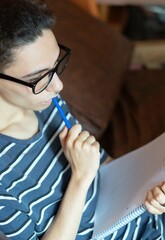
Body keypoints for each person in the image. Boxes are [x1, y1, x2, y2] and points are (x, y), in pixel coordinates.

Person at [0, 0, 164, 239]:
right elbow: (86, 170)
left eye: (56, 65)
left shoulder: (47, 103)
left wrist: (148, 190)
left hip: (146, 220)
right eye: (40, 78)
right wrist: (80, 178)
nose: (58, 85)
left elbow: (104, 165)